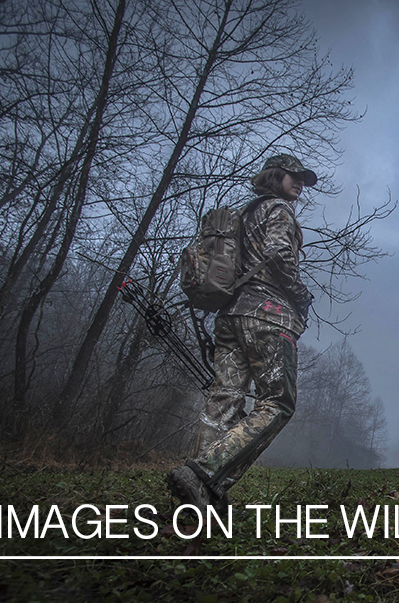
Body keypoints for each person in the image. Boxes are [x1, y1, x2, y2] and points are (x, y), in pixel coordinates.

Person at [167, 153, 316, 508]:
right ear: (275, 176)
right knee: (277, 402)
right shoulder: (279, 208)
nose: (299, 183)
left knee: (224, 398)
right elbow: (279, 254)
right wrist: (302, 296)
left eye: (303, 179)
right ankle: (205, 473)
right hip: (268, 316)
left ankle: (203, 496)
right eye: (293, 176)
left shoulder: (245, 214)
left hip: (231, 316)